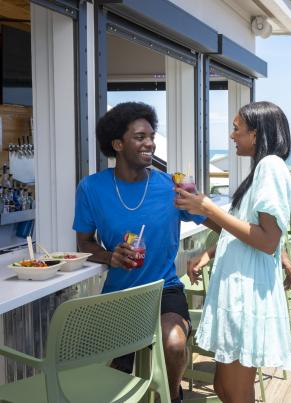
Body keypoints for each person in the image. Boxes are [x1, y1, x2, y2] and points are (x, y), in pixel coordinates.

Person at [73, 102, 217, 403]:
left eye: (151, 135)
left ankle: (171, 395)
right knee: (118, 381)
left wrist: (206, 245)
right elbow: (83, 243)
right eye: (140, 136)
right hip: (120, 296)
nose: (150, 142)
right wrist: (109, 256)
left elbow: (222, 226)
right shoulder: (91, 188)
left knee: (174, 343)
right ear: (117, 144)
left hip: (164, 289)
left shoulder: (172, 188)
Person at [175, 101, 291, 402]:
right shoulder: (260, 171)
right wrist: (208, 251)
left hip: (247, 295)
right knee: (224, 389)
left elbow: (268, 240)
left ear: (256, 134)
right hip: (237, 292)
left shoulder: (271, 167)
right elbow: (244, 229)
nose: (232, 136)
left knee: (236, 392)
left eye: (236, 128)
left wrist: (210, 208)